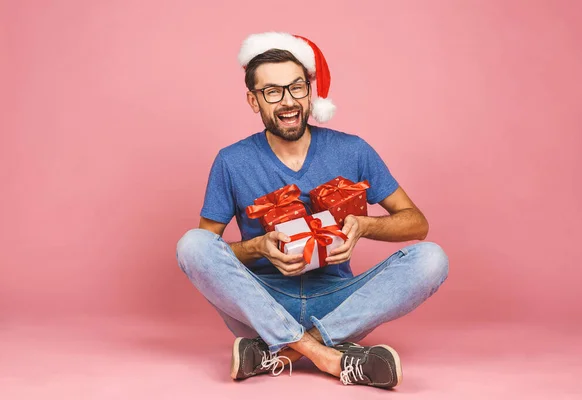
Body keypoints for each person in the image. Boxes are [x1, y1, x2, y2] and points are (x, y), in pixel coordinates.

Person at [175, 32, 449, 389]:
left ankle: (281, 352)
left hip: (339, 302)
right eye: (272, 91)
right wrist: (258, 247)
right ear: (253, 100)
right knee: (191, 244)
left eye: (297, 87)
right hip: (261, 300)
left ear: (310, 91)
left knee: (432, 258)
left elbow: (417, 224)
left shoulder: (353, 150)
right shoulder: (232, 161)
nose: (288, 101)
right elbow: (208, 253)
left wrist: (363, 226)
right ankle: (329, 357)